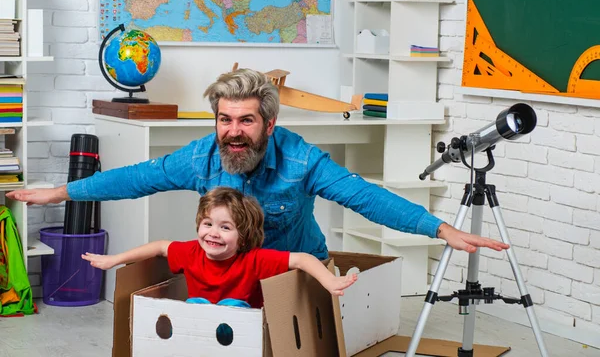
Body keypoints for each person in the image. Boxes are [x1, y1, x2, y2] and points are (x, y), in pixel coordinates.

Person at [7, 68, 508, 258]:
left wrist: (439, 229)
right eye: (225, 119)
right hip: (229, 272)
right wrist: (57, 194)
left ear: (269, 124)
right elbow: (134, 180)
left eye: (246, 121)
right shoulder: (201, 156)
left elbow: (365, 196)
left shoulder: (303, 161)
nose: (233, 132)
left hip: (293, 270)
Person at [82, 187, 357, 307]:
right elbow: (160, 247)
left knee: (233, 308)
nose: (213, 234)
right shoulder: (191, 252)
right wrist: (115, 259)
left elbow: (301, 260)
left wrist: (330, 281)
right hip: (200, 326)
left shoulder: (253, 259)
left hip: (244, 330)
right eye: (207, 224)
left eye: (225, 228)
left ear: (243, 235)